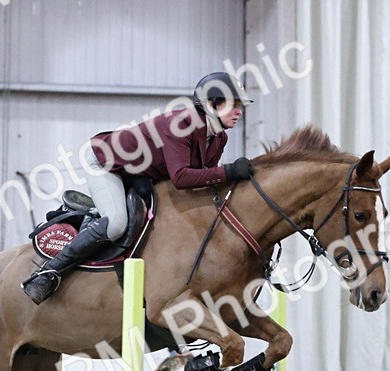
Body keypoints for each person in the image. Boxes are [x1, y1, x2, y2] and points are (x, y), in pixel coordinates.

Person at [21, 71, 254, 304]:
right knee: (116, 224)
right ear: (211, 104)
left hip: (143, 174)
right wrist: (229, 171)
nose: (239, 112)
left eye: (240, 106)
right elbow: (181, 178)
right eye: (233, 105)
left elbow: (204, 180)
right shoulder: (182, 124)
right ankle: (48, 273)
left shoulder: (218, 138)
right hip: (107, 164)